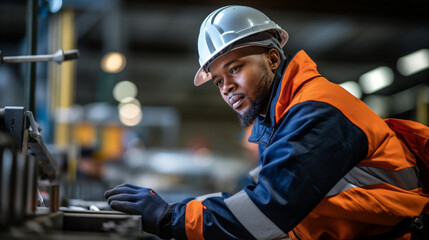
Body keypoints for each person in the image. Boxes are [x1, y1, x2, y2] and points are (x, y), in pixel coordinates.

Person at [104, 5, 429, 240]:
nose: (227, 86)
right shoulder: (282, 118)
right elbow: (253, 198)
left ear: (273, 59)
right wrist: (180, 207)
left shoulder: (317, 109)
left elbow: (266, 213)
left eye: (235, 68)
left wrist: (168, 217)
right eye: (218, 81)